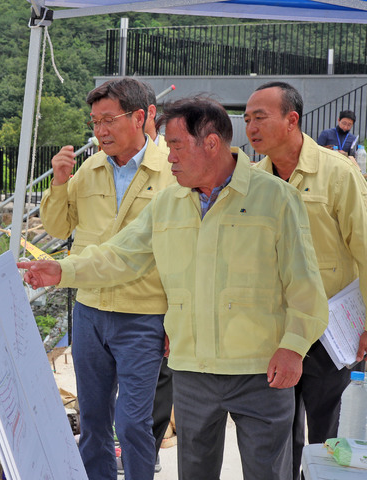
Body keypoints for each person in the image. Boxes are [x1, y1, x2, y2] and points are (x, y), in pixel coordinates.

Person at [20, 96, 329, 480]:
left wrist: (294, 347)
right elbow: (121, 256)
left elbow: (306, 286)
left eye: (178, 146)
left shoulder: (276, 199)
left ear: (212, 143)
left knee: (267, 473)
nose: (169, 158)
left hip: (261, 372)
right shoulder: (168, 203)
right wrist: (61, 271)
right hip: (192, 371)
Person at [39, 78, 174, 479]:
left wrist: (176, 316)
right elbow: (58, 225)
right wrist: (59, 181)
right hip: (91, 311)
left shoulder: (170, 169)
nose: (99, 131)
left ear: (139, 117)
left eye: (108, 120)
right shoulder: (91, 168)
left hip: (144, 313)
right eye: (94, 122)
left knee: (134, 423)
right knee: (93, 419)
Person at [245, 81, 367, 480]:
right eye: (246, 120)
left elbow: (365, 249)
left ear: (292, 119)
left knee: (326, 432)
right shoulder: (250, 180)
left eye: (259, 117)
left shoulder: (338, 173)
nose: (250, 128)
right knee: (276, 430)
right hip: (273, 328)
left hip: (329, 328)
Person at [142, 81, 173, 474]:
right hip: (119, 288)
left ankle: (147, 450)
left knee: (162, 377)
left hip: (164, 289)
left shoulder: (170, 162)